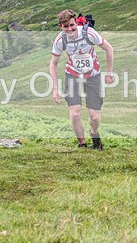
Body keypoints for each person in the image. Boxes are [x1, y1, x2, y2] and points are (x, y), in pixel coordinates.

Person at [49, 9, 114, 149]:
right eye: (66, 26)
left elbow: (109, 49)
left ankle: (94, 133)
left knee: (94, 117)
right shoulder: (61, 40)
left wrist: (109, 73)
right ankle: (82, 145)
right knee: (75, 114)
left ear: (76, 23)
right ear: (60, 26)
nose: (70, 29)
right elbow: (53, 64)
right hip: (72, 76)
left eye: (72, 25)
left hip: (93, 76)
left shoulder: (89, 33)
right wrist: (55, 88)